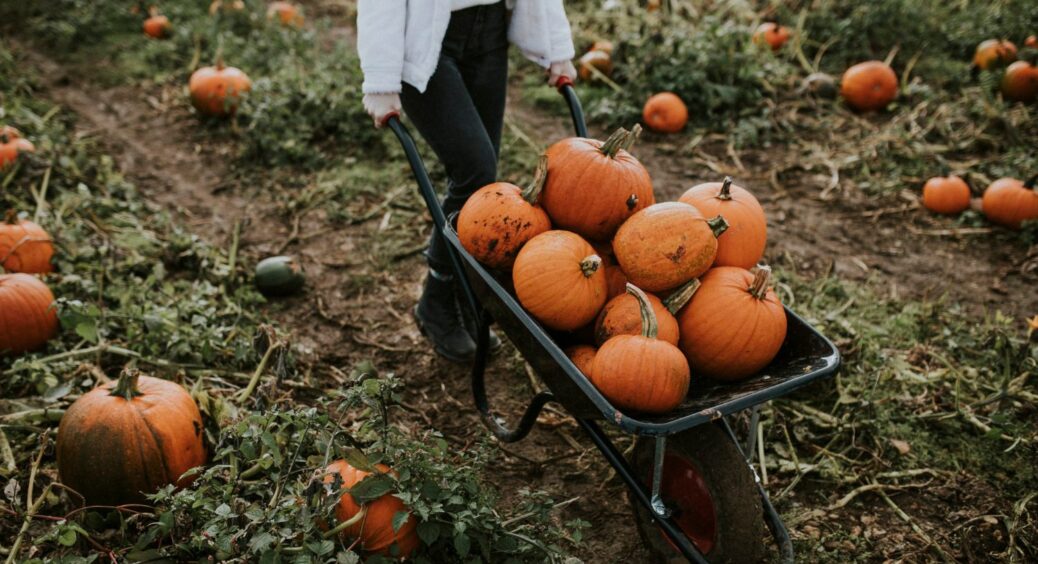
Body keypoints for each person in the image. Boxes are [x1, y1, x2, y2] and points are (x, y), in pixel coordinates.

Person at [358, 0, 577, 363]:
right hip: (427, 43)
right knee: (475, 166)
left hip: (490, 34)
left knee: (480, 182)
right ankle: (438, 297)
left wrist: (556, 48)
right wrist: (380, 77)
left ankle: (464, 293)